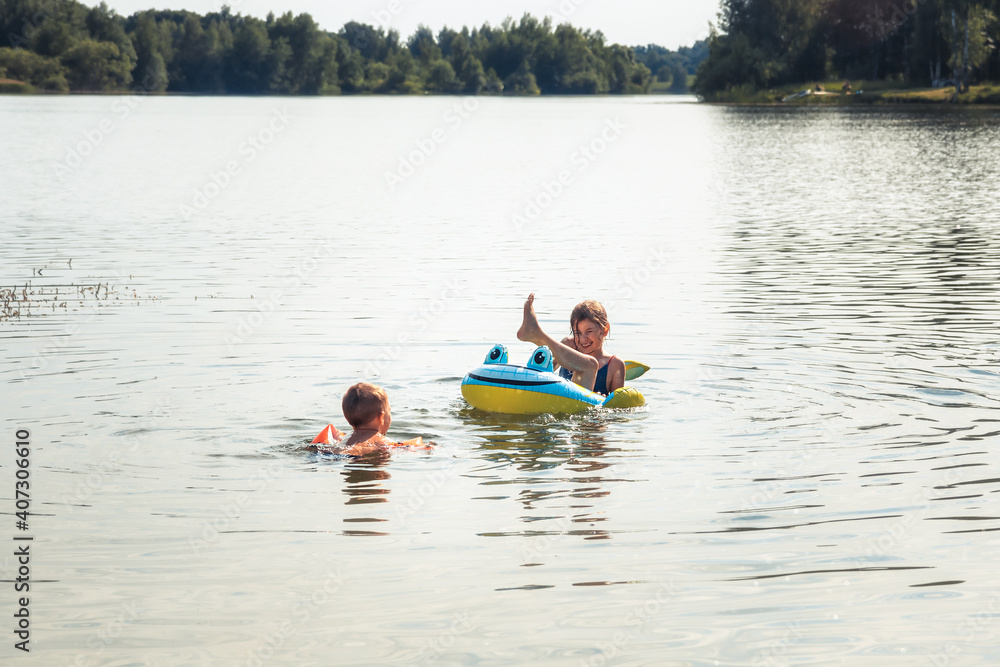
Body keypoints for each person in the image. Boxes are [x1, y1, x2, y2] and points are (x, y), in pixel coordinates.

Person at [516, 294, 625, 395]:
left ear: (605, 330)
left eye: (589, 331)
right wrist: (561, 348)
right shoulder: (568, 347)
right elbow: (544, 371)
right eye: (577, 333)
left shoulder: (615, 364)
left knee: (591, 364)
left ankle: (536, 334)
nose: (583, 339)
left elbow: (618, 406)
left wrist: (601, 401)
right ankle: (535, 334)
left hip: (587, 410)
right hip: (561, 401)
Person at [308, 382, 432, 457]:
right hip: (360, 455)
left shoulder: (341, 440)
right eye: (390, 411)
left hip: (334, 455)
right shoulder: (384, 442)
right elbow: (414, 449)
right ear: (381, 417)